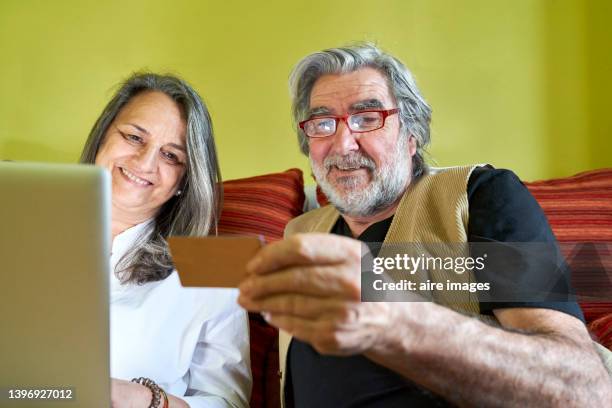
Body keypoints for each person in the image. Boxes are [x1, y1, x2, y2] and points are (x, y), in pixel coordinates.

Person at [238, 44, 611, 406]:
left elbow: (585, 391)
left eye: (367, 118)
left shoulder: (481, 196)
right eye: (322, 123)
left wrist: (393, 317)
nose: (342, 143)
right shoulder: (300, 232)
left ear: (412, 137)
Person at [80, 73, 251, 408]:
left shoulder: (214, 264)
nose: (145, 163)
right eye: (133, 137)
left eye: (171, 156)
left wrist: (148, 400)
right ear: (102, 136)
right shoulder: (22, 222)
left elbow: (228, 402)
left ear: (184, 180)